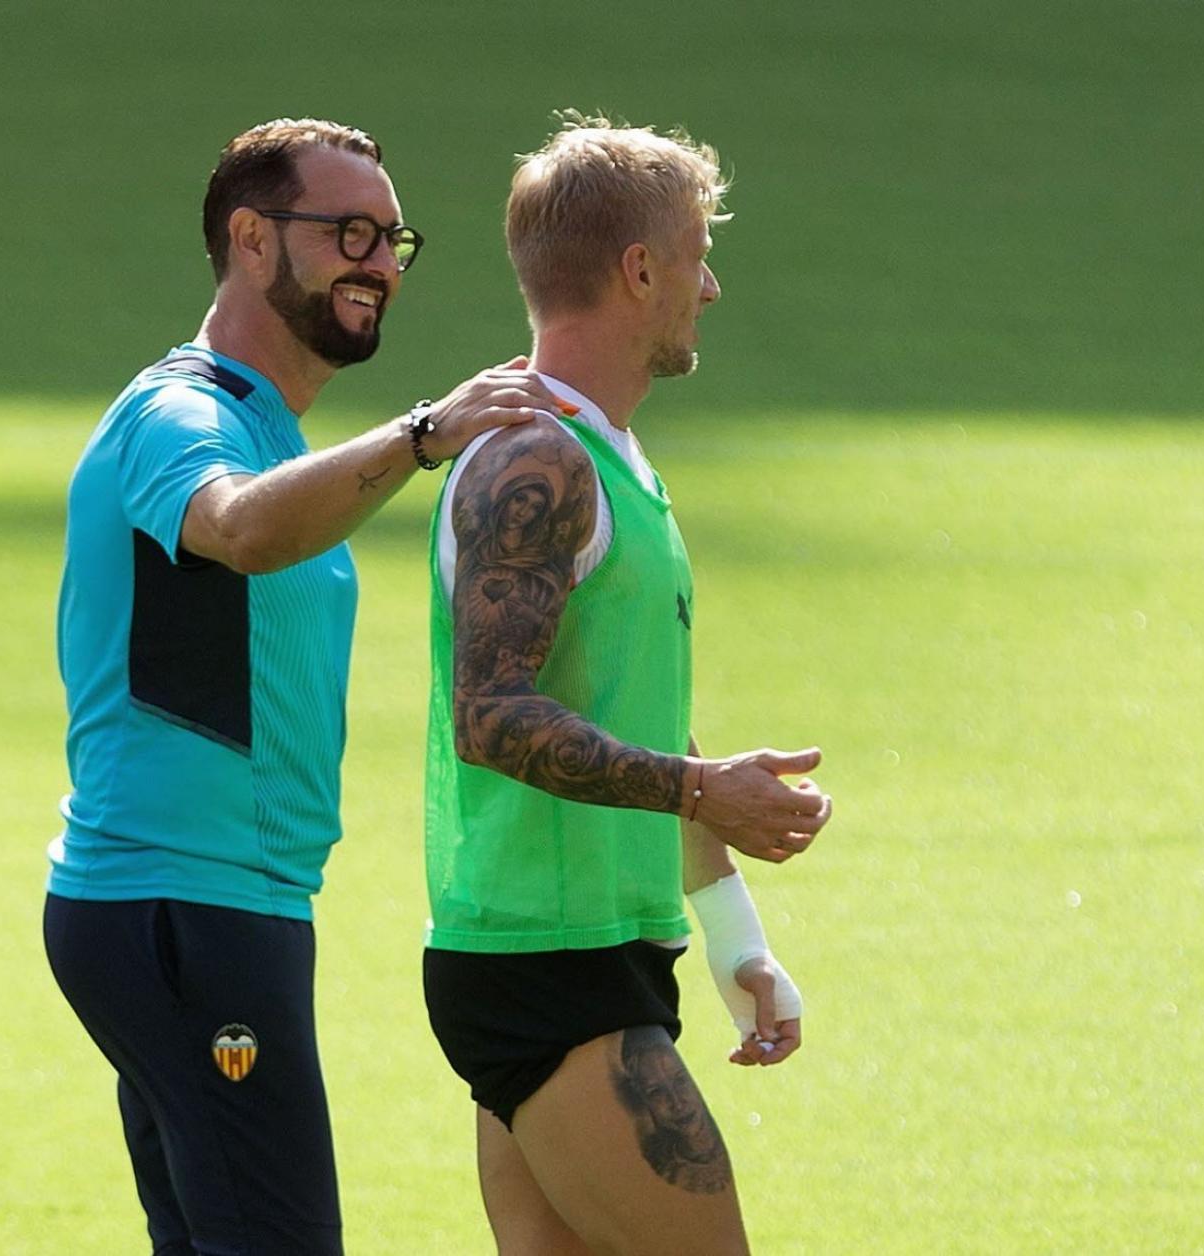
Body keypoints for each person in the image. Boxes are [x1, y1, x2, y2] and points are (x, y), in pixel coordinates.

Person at [43, 118, 563, 1256]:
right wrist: (425, 434)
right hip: (182, 903)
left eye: (392, 240)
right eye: (349, 232)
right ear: (250, 237)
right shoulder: (180, 414)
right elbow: (234, 527)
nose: (378, 262)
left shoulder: (273, 433)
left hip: (221, 904)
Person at [420, 113, 834, 1256]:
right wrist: (706, 789)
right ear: (639, 268)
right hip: (551, 968)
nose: (711, 286)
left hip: (571, 952)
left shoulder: (610, 461)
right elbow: (491, 715)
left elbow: (631, 718)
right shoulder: (539, 460)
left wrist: (732, 930)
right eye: (697, 255)